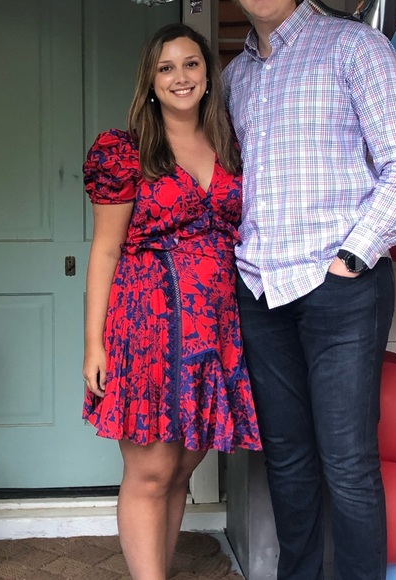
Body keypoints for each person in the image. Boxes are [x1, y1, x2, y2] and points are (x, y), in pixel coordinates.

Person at [223, 1, 396, 579]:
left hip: (339, 287)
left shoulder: (354, 47)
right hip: (261, 289)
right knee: (287, 460)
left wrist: (353, 257)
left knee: (348, 463)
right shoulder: (235, 77)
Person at [82, 22, 261, 580]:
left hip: (215, 328)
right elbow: (105, 250)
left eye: (190, 64)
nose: (180, 77)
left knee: (182, 467)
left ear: (208, 75)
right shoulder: (126, 150)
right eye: (166, 68)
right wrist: (93, 344)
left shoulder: (232, 142)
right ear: (151, 81)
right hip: (148, 327)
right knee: (151, 471)